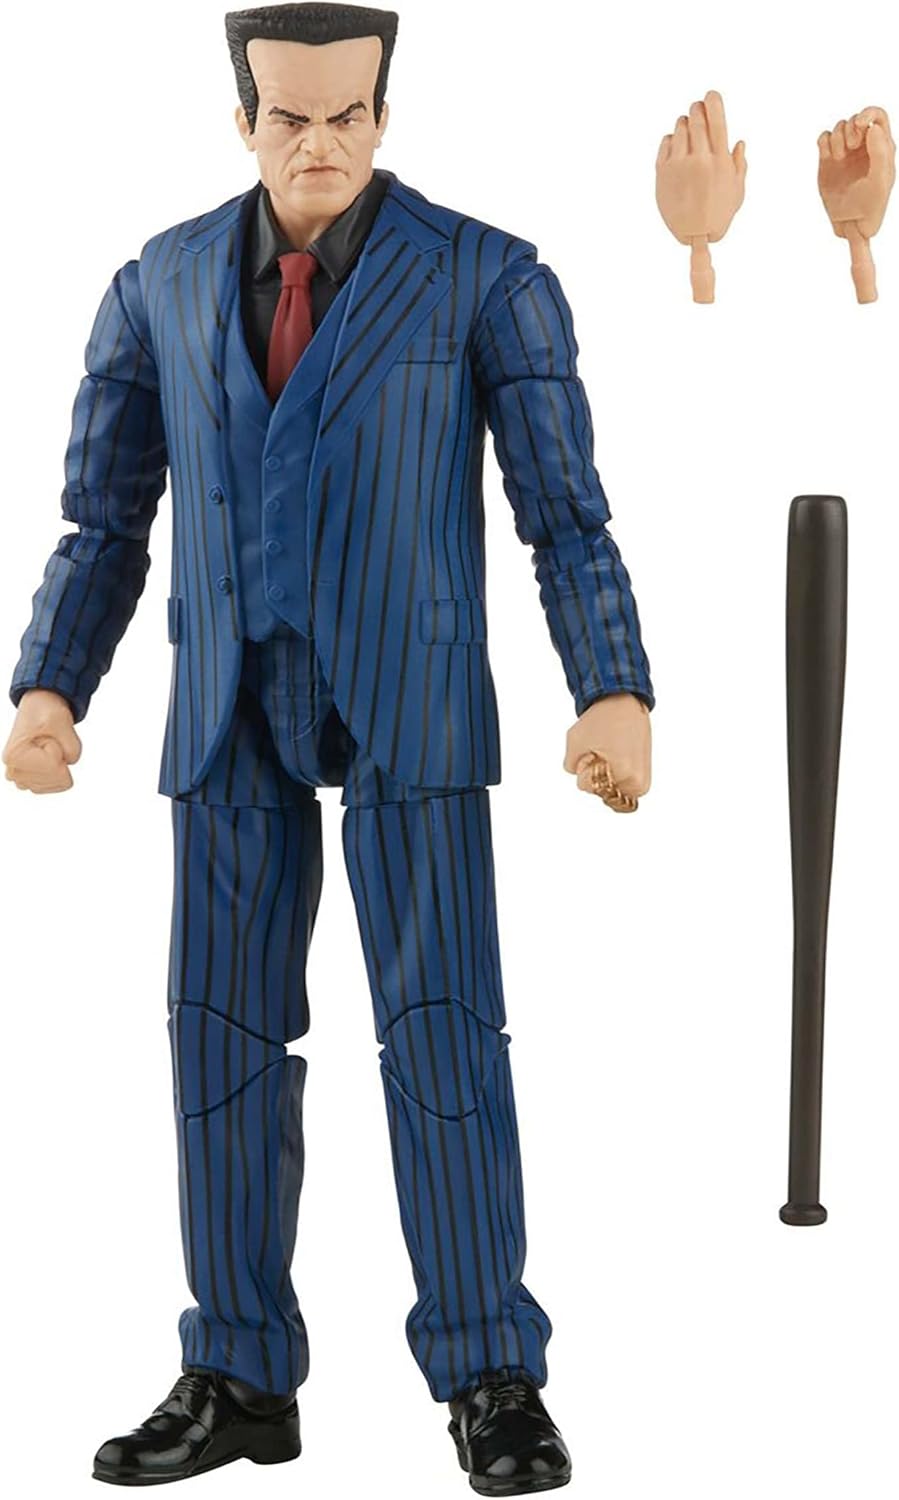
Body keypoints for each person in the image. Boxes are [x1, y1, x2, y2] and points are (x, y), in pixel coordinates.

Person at [3, 4, 654, 1492]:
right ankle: (238, 1368)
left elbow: (564, 514)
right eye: (289, 117)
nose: (320, 145)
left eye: (347, 114)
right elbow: (103, 520)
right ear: (241, 119)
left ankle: (489, 1369)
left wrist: (611, 685)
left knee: (444, 1028)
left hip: (410, 693)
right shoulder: (160, 282)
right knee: (219, 1034)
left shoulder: (487, 276)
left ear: (384, 112)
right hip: (227, 698)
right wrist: (51, 686)